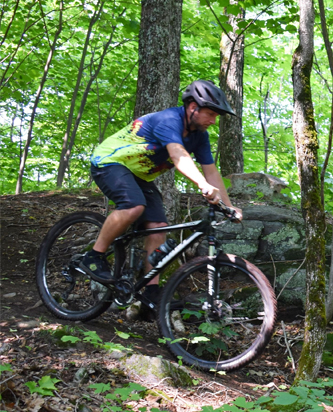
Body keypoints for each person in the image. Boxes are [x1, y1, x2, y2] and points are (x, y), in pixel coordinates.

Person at [79, 79, 243, 308]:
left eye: (216, 116)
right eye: (210, 114)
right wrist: (201, 184)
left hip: (139, 175)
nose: (213, 121)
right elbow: (178, 156)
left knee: (158, 228)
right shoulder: (168, 120)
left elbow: (211, 171)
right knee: (133, 206)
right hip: (109, 163)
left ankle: (150, 293)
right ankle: (93, 257)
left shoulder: (200, 136)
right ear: (193, 107)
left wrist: (228, 205)